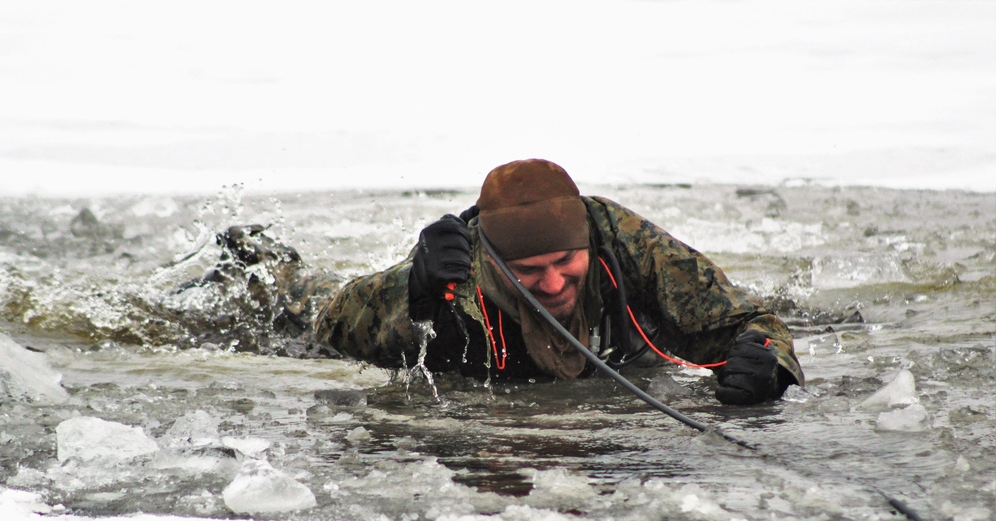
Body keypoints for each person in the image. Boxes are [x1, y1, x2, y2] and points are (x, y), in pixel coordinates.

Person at [224, 159, 803, 405]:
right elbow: (335, 324)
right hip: (321, 301)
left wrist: (768, 364)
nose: (552, 284)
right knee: (291, 298)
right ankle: (260, 258)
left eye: (564, 264)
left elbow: (748, 320)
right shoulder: (458, 264)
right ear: (497, 264)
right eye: (529, 272)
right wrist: (416, 295)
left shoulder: (627, 242)